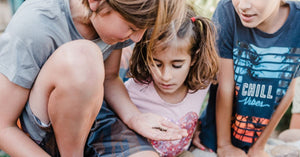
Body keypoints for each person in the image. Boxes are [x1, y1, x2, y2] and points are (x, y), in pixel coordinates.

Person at [0, 0, 188, 156]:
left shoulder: (115, 27)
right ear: (95, 2)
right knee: (83, 57)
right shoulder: (35, 25)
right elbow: (3, 128)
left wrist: (134, 118)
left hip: (93, 117)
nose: (137, 38)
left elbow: (110, 78)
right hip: (44, 136)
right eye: (132, 27)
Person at [198, 0, 300, 156]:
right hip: (215, 139)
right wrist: (224, 145)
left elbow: (289, 92)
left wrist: (259, 146)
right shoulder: (227, 11)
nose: (242, 6)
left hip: (257, 139)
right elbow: (225, 86)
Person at [122, 8, 219, 156]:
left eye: (177, 65)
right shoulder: (133, 90)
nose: (166, 76)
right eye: (157, 63)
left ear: (193, 58)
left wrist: (199, 128)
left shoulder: (201, 84)